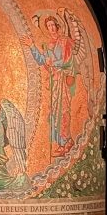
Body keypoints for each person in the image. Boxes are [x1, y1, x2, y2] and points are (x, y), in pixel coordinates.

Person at [24, 12, 81, 157]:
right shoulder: (48, 45)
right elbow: (41, 60)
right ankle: (62, 143)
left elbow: (68, 60)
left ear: (57, 25)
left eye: (53, 25)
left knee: (64, 110)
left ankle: (67, 141)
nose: (51, 28)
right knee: (54, 113)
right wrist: (32, 46)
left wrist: (54, 63)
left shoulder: (65, 41)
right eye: (48, 26)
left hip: (63, 80)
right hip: (55, 82)